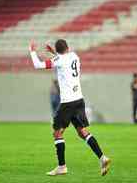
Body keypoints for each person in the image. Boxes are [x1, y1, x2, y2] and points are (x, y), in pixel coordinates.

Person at [28, 39, 111, 176]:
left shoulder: (59, 60)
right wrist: (54, 53)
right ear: (67, 47)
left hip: (68, 102)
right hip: (79, 100)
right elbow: (63, 59)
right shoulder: (74, 56)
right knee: (82, 131)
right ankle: (103, 158)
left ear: (58, 50)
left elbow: (38, 65)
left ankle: (62, 167)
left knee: (57, 133)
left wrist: (32, 51)